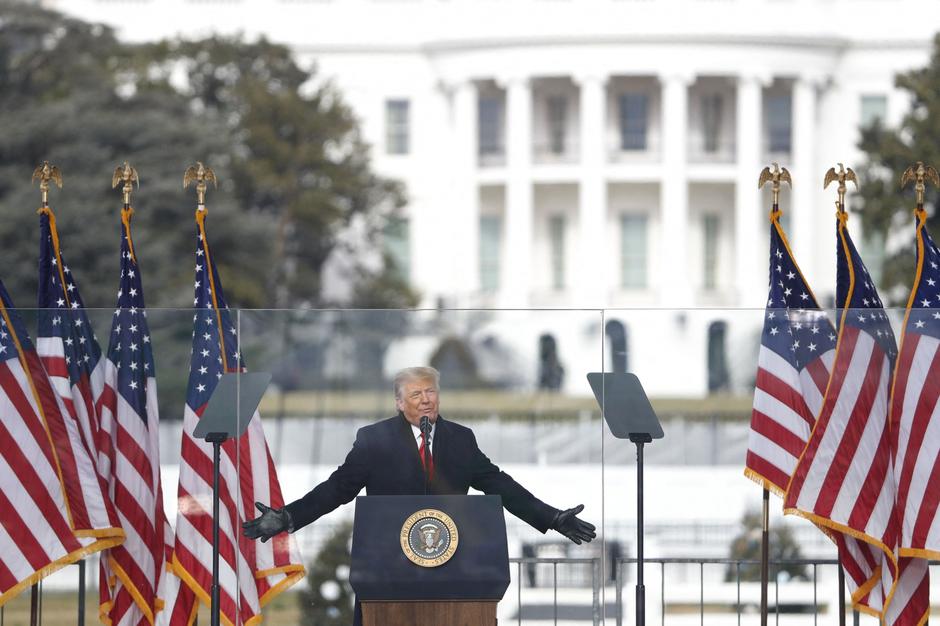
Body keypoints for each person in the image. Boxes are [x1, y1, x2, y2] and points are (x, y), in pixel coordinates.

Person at [243, 366, 596, 620]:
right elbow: (338, 488)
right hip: (387, 572)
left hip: (454, 573)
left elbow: (499, 484)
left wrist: (550, 517)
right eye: (416, 394)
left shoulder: (460, 439)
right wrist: (289, 516)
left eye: (431, 392)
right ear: (399, 402)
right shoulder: (374, 440)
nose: (426, 401)